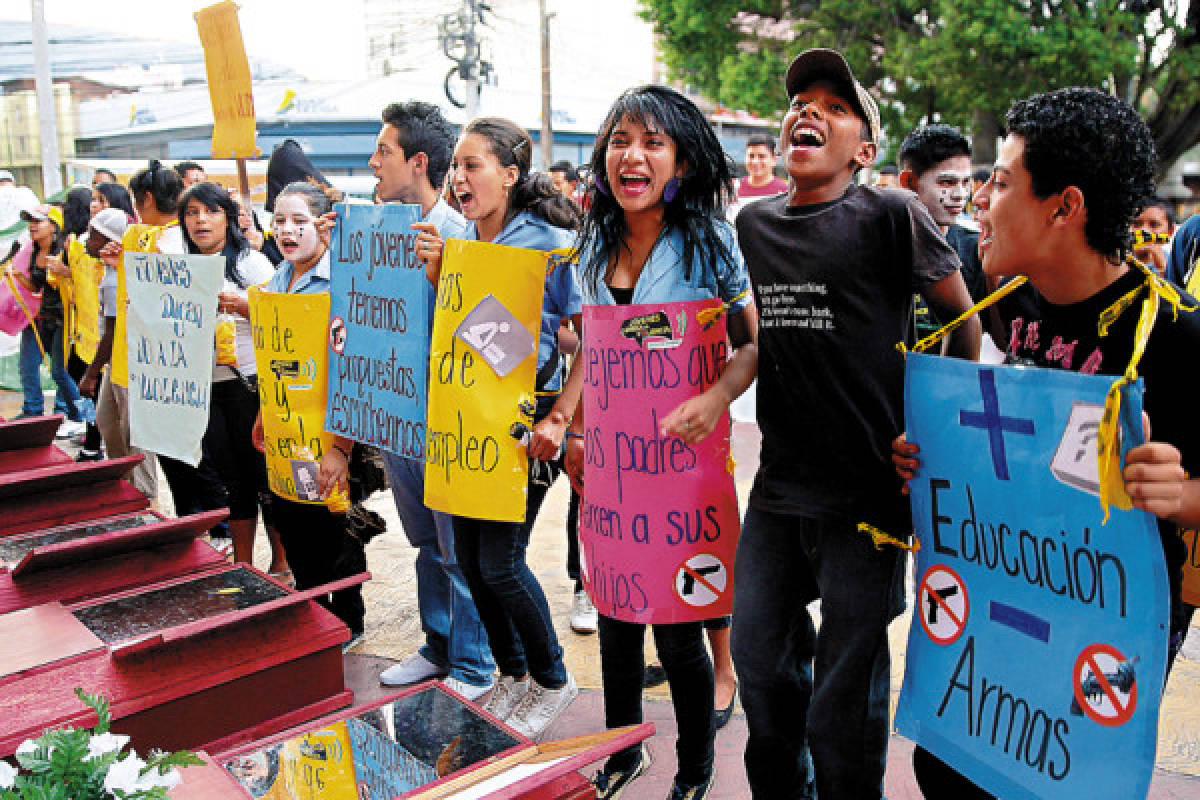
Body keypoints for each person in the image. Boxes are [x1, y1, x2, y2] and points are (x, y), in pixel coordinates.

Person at [894, 86, 1200, 800]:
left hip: (1107, 636)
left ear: (1065, 208)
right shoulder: (1006, 306)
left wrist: (1177, 494)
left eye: (999, 182)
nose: (978, 201)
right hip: (1000, 598)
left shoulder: (1176, 339)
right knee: (946, 764)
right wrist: (924, 452)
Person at [731, 48, 980, 800]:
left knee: (846, 699)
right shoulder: (751, 224)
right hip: (778, 491)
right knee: (761, 663)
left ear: (865, 152)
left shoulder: (892, 214)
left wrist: (928, 428)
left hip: (870, 501)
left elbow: (963, 328)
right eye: (802, 100)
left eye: (835, 108)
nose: (810, 110)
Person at [565, 84, 758, 800]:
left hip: (682, 475)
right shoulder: (592, 245)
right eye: (619, 140)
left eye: (651, 142)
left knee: (679, 632)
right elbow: (591, 346)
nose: (631, 155)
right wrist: (574, 426)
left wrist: (714, 399)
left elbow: (750, 347)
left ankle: (696, 771)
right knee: (615, 620)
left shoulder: (711, 244)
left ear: (680, 160)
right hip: (612, 474)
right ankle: (622, 754)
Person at [416, 116, 582, 740]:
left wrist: (561, 418)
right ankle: (514, 675)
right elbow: (466, 328)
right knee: (467, 557)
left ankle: (554, 679)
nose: (459, 177)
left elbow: (590, 335)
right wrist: (443, 278)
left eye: (472, 165)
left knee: (503, 562)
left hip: (525, 415)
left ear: (510, 176)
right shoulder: (460, 242)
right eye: (455, 165)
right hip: (466, 416)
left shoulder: (548, 239)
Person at [364, 101, 496, 700]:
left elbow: (497, 332)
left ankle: (473, 665)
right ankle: (439, 644)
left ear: (418, 163)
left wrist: (447, 273)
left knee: (458, 547)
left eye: (384, 152)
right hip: (400, 417)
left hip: (453, 420)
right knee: (424, 543)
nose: (373, 164)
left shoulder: (465, 234)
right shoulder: (376, 233)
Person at [253, 181, 366, 643]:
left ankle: (347, 623)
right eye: (280, 221)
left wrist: (341, 447)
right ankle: (312, 614)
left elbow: (354, 370)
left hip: (329, 432)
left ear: (322, 225)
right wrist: (265, 410)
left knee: (336, 530)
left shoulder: (341, 283)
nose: (288, 231)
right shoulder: (279, 280)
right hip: (286, 432)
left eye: (300, 221)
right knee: (294, 523)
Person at [178, 181, 290, 577]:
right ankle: (243, 563)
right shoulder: (180, 268)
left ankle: (281, 562)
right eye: (191, 213)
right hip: (206, 387)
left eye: (210, 211)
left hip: (250, 386)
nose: (201, 220)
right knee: (231, 481)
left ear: (228, 218)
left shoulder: (251, 264)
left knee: (262, 476)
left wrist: (247, 308)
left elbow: (284, 323)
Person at [95, 160, 183, 500]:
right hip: (121, 356)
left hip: (148, 360)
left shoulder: (177, 238)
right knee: (108, 422)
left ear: (146, 198)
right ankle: (126, 495)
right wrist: (121, 263)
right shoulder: (135, 233)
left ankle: (145, 503)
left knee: (138, 437)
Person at [898, 124, 988, 340]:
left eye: (966, 183)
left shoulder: (977, 248)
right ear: (909, 182)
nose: (959, 195)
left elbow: (1000, 341)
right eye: (947, 182)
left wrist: (992, 275)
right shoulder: (883, 245)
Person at [15, 203, 87, 432]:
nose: (32, 227)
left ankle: (82, 416)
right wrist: (17, 276)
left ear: (54, 227)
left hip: (63, 320)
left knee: (60, 372)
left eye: (38, 222)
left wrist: (64, 271)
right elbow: (38, 286)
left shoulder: (64, 250)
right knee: (46, 369)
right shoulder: (35, 251)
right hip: (44, 318)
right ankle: (74, 416)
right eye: (30, 222)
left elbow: (78, 282)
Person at [1131, 196, 1175, 275]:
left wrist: (1163, 268)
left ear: (1170, 231)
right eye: (1137, 223)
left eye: (1154, 224)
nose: (1144, 230)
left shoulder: (1178, 265)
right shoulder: (1115, 262)